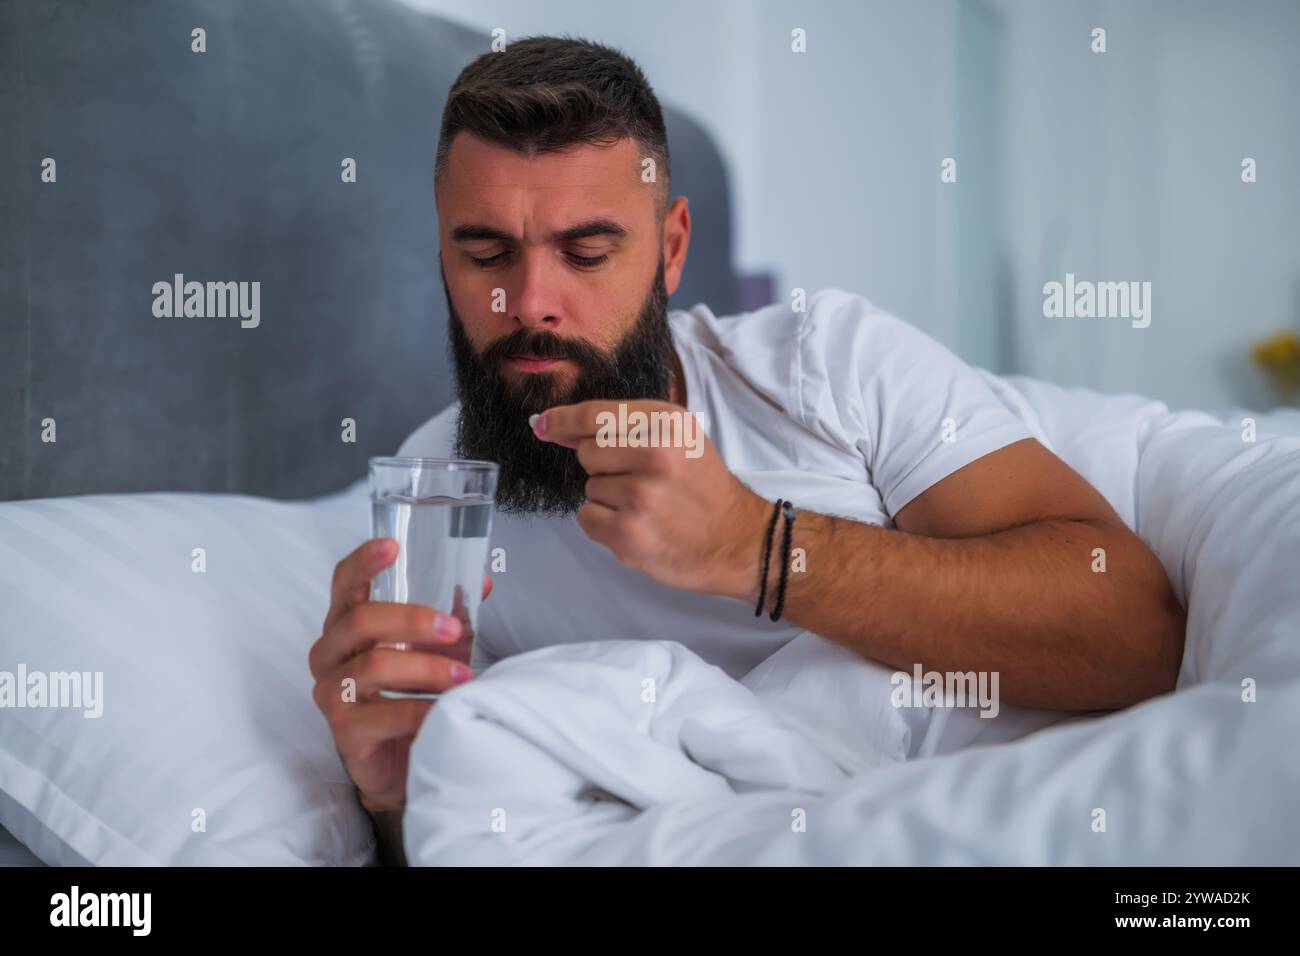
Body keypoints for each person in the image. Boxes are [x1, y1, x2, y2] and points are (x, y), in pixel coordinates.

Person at [307, 36, 1187, 866]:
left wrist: (758, 548)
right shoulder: (439, 496)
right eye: (487, 252)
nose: (531, 302)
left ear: (673, 249)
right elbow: (493, 816)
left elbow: (1133, 629)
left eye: (586, 252)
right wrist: (387, 796)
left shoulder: (829, 366)